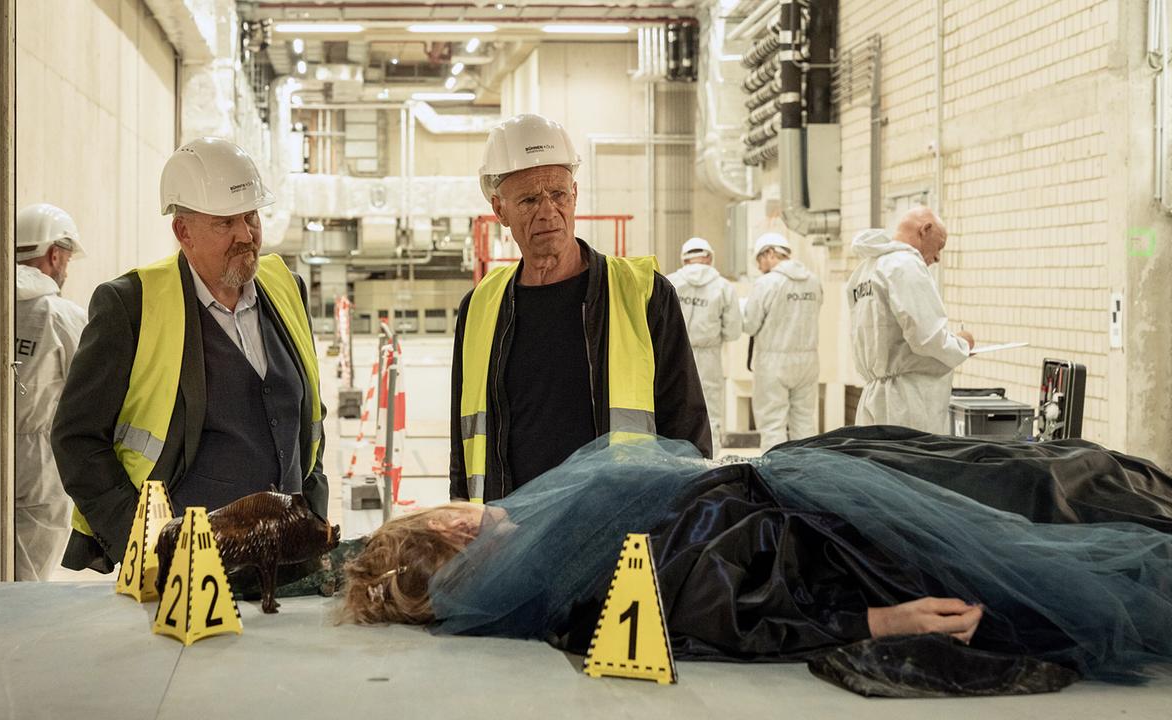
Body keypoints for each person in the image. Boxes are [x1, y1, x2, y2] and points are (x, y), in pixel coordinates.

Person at [342, 431, 1172, 685]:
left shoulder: (551, 574)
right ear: (455, 538)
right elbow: (715, 610)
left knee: (1045, 482)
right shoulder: (569, 566)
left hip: (829, 503)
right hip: (846, 536)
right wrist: (880, 619)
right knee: (1044, 495)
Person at [52, 137, 327, 574]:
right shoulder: (132, 305)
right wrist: (142, 544)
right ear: (184, 232)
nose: (246, 235)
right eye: (224, 223)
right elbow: (77, 440)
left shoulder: (286, 287)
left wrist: (314, 511)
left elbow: (308, 418)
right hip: (189, 574)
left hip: (290, 560)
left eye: (251, 216)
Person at [450, 113, 711, 503]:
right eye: (529, 199)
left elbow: (687, 433)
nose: (547, 211)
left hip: (616, 529)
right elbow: (463, 444)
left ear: (574, 194)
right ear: (500, 211)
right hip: (506, 534)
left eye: (558, 194)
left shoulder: (642, 294)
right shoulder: (479, 308)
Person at [846, 207, 974, 434]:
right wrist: (962, 344)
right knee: (906, 466)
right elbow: (927, 338)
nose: (937, 257)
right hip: (907, 402)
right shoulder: (905, 265)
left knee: (876, 465)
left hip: (876, 396)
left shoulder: (864, 271)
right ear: (925, 229)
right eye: (939, 246)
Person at [14, 203, 89, 580]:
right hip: (39, 458)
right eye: (67, 261)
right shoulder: (61, 316)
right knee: (30, 573)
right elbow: (93, 390)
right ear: (54, 254)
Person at [741, 233, 822, 451]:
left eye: (759, 260)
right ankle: (806, 472)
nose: (759, 267)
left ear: (769, 252)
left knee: (772, 423)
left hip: (773, 362)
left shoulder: (767, 283)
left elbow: (750, 324)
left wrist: (742, 308)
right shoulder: (813, 282)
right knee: (804, 421)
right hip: (808, 361)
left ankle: (773, 475)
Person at [666, 237, 742, 454]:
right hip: (709, 357)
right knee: (711, 412)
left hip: (674, 354)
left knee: (676, 408)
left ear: (684, 258)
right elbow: (734, 330)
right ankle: (711, 467)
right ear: (709, 257)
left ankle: (680, 465)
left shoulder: (670, 281)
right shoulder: (723, 287)